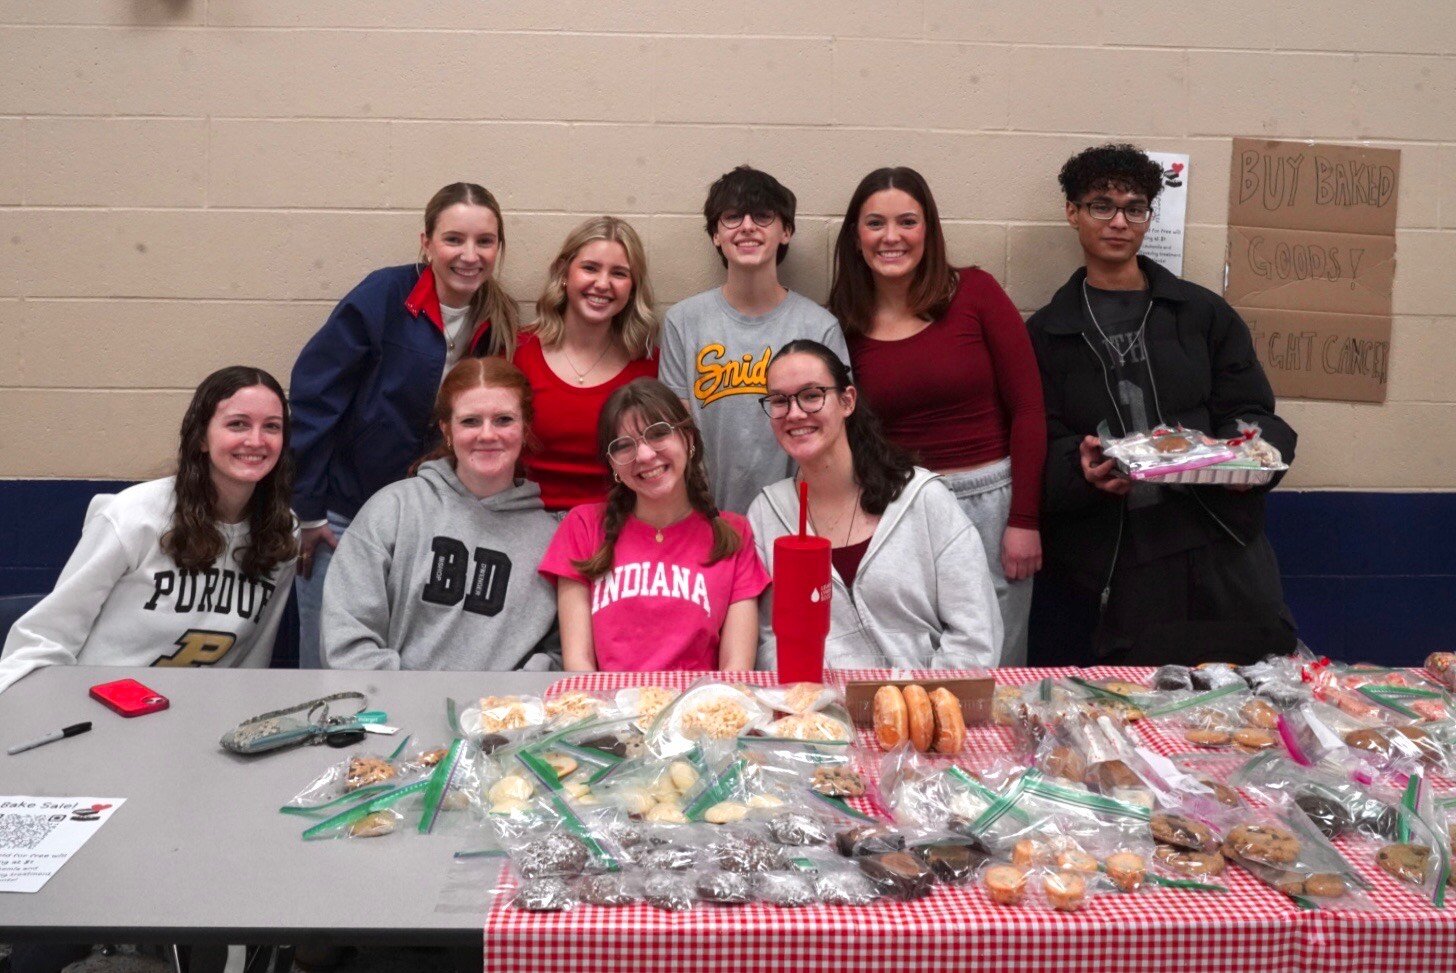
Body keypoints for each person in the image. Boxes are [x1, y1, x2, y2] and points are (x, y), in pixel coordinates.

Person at [1026, 143, 1298, 668]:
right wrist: (1077, 467)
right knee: (1134, 701)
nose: (1119, 222)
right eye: (1102, 206)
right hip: (1118, 560)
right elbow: (1039, 441)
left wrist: (1250, 457)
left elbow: (1256, 412)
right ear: (1073, 213)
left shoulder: (1202, 314)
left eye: (1135, 208)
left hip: (1222, 542)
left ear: (1149, 217)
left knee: (1254, 691)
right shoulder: (1047, 334)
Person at [288, 182, 520, 668]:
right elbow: (315, 397)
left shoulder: (498, 319)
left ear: (499, 247)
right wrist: (308, 511)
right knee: (328, 667)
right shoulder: (384, 296)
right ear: (426, 242)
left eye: (485, 241)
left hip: (425, 526)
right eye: (454, 239)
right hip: (344, 515)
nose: (470, 255)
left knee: (402, 664)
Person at [829, 167, 1046, 665]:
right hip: (899, 507)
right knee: (911, 660)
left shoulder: (975, 292)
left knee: (994, 663)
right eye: (875, 223)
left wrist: (1024, 519)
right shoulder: (843, 321)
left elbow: (1029, 410)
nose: (891, 237)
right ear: (856, 237)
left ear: (929, 229)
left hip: (988, 506)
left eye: (907, 221)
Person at [0, 367, 297, 696]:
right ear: (201, 437)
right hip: (99, 703)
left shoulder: (284, 532)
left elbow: (253, 658)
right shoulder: (132, 516)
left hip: (197, 711)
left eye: (272, 426)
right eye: (237, 424)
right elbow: (45, 636)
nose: (256, 440)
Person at [747, 341, 1002, 670]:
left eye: (811, 395)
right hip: (820, 701)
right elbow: (769, 642)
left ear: (847, 401)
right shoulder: (765, 514)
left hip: (925, 697)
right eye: (780, 401)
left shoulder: (924, 498)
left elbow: (976, 635)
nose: (794, 413)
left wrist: (916, 696)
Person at [320, 358, 560, 671]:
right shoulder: (393, 511)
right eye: (470, 421)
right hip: (392, 701)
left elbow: (560, 655)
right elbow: (347, 641)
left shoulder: (552, 540)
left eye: (503, 420)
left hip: (505, 705)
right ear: (447, 430)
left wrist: (508, 698)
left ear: (525, 428)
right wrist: (408, 697)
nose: (487, 434)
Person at [539, 378, 770, 671]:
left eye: (658, 433)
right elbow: (578, 665)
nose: (645, 455)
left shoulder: (734, 534)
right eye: (624, 446)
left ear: (688, 439)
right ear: (613, 465)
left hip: (701, 699)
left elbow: (736, 669)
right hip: (607, 700)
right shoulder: (582, 527)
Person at [659, 165, 849, 514]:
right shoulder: (683, 322)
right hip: (706, 515)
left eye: (762, 216)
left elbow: (836, 436)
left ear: (786, 231)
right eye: (732, 217)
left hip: (796, 515)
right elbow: (676, 433)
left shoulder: (819, 327)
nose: (747, 226)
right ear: (716, 235)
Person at [514, 216, 659, 512]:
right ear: (564, 272)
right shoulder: (516, 353)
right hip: (523, 520)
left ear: (633, 287)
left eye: (619, 273)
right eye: (590, 268)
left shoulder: (650, 367)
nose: (602, 284)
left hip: (614, 523)